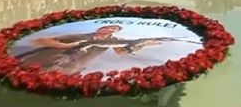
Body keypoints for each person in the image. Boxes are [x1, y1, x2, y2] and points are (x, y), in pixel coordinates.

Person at [13, 25, 163, 75]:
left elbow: (121, 52)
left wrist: (142, 44)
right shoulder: (81, 34)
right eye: (109, 27)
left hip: (69, 69)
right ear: (101, 28)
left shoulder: (114, 41)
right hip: (44, 61)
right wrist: (68, 45)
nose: (111, 30)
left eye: (114, 29)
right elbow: (41, 40)